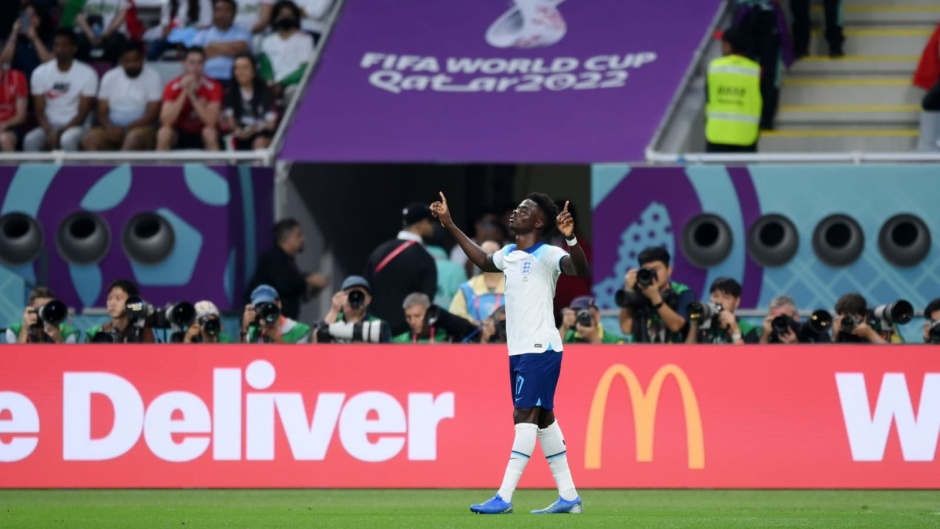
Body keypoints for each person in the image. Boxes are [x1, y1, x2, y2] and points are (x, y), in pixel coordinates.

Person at [432, 191, 589, 515]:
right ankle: (569, 496)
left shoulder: (548, 254)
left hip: (540, 348)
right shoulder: (508, 254)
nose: (516, 212)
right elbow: (482, 260)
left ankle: (504, 496)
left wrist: (571, 238)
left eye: (524, 209)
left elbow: (578, 269)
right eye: (517, 207)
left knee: (523, 416)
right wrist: (449, 224)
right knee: (544, 419)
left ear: (539, 221)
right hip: (519, 351)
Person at [364, 202, 438, 336]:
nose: (432, 226)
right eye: (429, 222)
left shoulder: (378, 252)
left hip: (375, 331)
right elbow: (426, 300)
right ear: (421, 224)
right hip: (406, 334)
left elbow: (366, 289)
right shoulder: (424, 258)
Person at [24, 29, 98, 152]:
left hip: (77, 126)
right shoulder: (39, 73)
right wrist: (49, 131)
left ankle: (73, 171)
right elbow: (39, 111)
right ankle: (36, 172)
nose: (60, 49)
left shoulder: (88, 74)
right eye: (56, 45)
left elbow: (82, 114)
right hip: (49, 126)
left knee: (67, 139)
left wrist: (60, 132)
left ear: (74, 48)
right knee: (30, 140)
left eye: (64, 45)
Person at [81, 40, 161, 151]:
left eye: (135, 60)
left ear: (142, 59)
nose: (132, 65)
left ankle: (121, 167)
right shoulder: (110, 77)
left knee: (133, 139)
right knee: (89, 140)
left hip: (141, 127)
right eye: (128, 61)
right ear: (121, 60)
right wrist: (110, 128)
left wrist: (126, 129)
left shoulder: (153, 77)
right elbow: (102, 111)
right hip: (112, 126)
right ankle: (102, 168)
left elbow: (152, 113)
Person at [247, 217, 327, 321]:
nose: (303, 239)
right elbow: (286, 283)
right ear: (285, 238)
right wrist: (309, 279)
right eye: (298, 235)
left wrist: (312, 288)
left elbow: (296, 291)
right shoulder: (273, 258)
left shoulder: (289, 261)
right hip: (268, 323)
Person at [732, 0, 793, 129]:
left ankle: (767, 118)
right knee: (748, 75)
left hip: (768, 22)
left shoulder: (772, 10)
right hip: (748, 18)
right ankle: (751, 115)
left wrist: (787, 54)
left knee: (769, 77)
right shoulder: (744, 10)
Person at [617, 246, 696, 344]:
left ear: (669, 270)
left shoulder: (682, 292)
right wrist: (629, 291)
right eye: (647, 270)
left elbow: (676, 325)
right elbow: (626, 329)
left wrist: (655, 298)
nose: (652, 274)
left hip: (674, 355)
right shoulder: (638, 292)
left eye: (656, 269)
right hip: (641, 354)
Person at [705, 27, 762, 153]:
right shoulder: (755, 70)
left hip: (717, 135)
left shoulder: (713, 67)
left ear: (727, 46)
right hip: (746, 136)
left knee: (715, 173)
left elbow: (707, 97)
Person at [156, 46, 222, 150]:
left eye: (199, 63)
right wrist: (184, 92)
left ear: (204, 64)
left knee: (210, 132)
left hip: (202, 132)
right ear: (184, 63)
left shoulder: (213, 86)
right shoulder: (172, 86)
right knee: (164, 133)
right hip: (179, 133)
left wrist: (192, 96)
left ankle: (215, 166)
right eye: (191, 62)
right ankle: (162, 166)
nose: (195, 67)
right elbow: (166, 121)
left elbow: (211, 122)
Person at [258, 0, 313, 101]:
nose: (286, 18)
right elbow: (265, 67)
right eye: (282, 15)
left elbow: (305, 69)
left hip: (293, 84)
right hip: (273, 84)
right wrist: (270, 81)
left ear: (295, 17)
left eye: (289, 15)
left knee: (292, 92)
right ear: (275, 18)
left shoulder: (305, 39)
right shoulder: (267, 41)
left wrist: (283, 83)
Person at [223, 52, 276, 150]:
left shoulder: (264, 91)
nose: (240, 72)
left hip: (261, 133)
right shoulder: (230, 92)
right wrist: (236, 130)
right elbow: (230, 120)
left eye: (245, 68)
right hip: (241, 133)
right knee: (230, 140)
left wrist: (254, 129)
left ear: (254, 71)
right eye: (237, 68)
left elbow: (271, 124)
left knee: (259, 142)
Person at [190, 0, 250, 85]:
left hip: (234, 81)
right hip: (206, 81)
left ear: (234, 14)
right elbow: (196, 56)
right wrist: (230, 48)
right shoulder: (203, 34)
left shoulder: (243, 32)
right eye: (219, 10)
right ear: (213, 13)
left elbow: (241, 50)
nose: (222, 14)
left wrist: (212, 46)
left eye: (227, 10)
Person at [316, 275, 390, 343]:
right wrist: (334, 310)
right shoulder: (334, 320)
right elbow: (317, 343)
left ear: (368, 299)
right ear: (342, 297)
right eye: (351, 294)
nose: (355, 297)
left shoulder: (378, 325)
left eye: (359, 295)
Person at [686, 277, 759, 344]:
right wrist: (694, 323)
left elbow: (747, 357)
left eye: (726, 297)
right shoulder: (703, 325)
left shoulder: (747, 328)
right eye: (715, 296)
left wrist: (735, 329)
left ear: (737, 302)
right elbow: (687, 354)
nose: (720, 302)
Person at [449, 239, 505, 325]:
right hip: (475, 337)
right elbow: (455, 315)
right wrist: (474, 324)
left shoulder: (514, 286)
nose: (488, 255)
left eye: (493, 252)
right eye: (484, 252)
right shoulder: (467, 288)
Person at [86, 279, 157, 343]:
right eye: (109, 298)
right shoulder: (99, 332)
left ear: (131, 302)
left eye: (118, 299)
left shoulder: (143, 332)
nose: (112, 303)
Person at [391, 292, 477, 344]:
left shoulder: (445, 337)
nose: (413, 321)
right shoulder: (399, 341)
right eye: (408, 317)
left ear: (429, 313)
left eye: (417, 316)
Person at [5, 286, 79, 343]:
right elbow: (15, 357)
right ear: (30, 309)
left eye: (48, 308)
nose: (44, 313)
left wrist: (58, 338)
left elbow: (68, 359)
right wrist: (25, 329)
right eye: (39, 308)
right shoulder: (14, 330)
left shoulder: (67, 332)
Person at [241, 284, 311, 343]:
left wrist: (274, 335)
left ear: (279, 304)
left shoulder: (299, 331)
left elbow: (298, 358)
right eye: (259, 307)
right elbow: (243, 357)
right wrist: (244, 329)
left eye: (268, 306)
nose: (265, 311)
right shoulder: (253, 332)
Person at [0, 3, 54, 80]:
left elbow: (49, 62)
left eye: (33, 16)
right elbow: (5, 61)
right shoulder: (15, 38)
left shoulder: (49, 37)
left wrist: (35, 39)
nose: (29, 20)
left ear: (40, 18)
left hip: (41, 82)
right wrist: (14, 33)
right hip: (18, 83)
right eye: (26, 16)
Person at [146, 0, 212, 60]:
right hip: (173, 37)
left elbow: (205, 26)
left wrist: (184, 35)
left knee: (193, 49)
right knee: (154, 48)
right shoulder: (169, 3)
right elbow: (165, 26)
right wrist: (170, 32)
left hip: (194, 38)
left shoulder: (203, 2)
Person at [74, 0, 130, 64]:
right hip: (86, 32)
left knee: (115, 43)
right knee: (78, 42)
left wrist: (107, 33)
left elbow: (122, 12)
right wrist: (90, 34)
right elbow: (77, 12)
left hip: (112, 32)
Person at [559, 295, 624, 344]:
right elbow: (553, 355)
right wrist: (564, 328)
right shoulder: (569, 337)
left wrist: (594, 339)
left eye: (586, 313)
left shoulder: (614, 341)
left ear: (597, 315)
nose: (583, 316)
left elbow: (613, 361)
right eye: (577, 313)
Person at [0, 61, 27, 152]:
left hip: (11, 126)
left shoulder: (17, 77)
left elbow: (20, 116)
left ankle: (11, 166)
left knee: (5, 139)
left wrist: (4, 125)